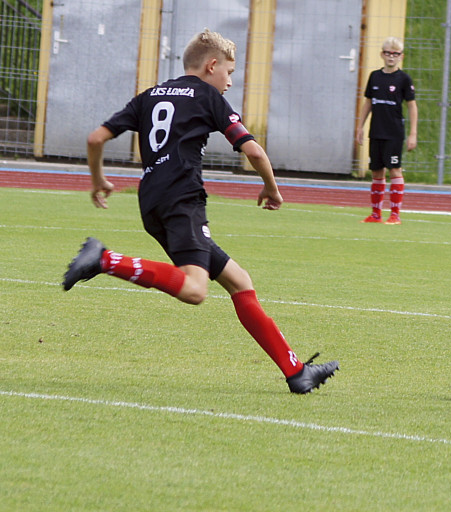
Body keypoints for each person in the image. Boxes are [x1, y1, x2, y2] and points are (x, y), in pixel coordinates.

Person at [61, 28, 338, 394]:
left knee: (239, 281)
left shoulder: (151, 95)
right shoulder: (207, 95)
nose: (230, 81)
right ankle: (105, 260)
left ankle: (296, 371)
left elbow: (96, 138)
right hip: (183, 199)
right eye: (229, 72)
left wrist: (99, 180)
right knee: (195, 290)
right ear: (211, 66)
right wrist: (272, 189)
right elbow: (253, 151)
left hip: (152, 200)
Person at [355, 37, 419, 225]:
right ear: (382, 54)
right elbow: (368, 103)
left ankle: (395, 214)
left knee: (395, 170)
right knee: (376, 172)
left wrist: (413, 134)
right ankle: (375, 214)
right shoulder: (375, 76)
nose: (391, 57)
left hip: (394, 133)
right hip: (376, 131)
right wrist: (360, 126)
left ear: (401, 56)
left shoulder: (404, 79)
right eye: (388, 53)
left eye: (396, 54)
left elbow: (412, 106)